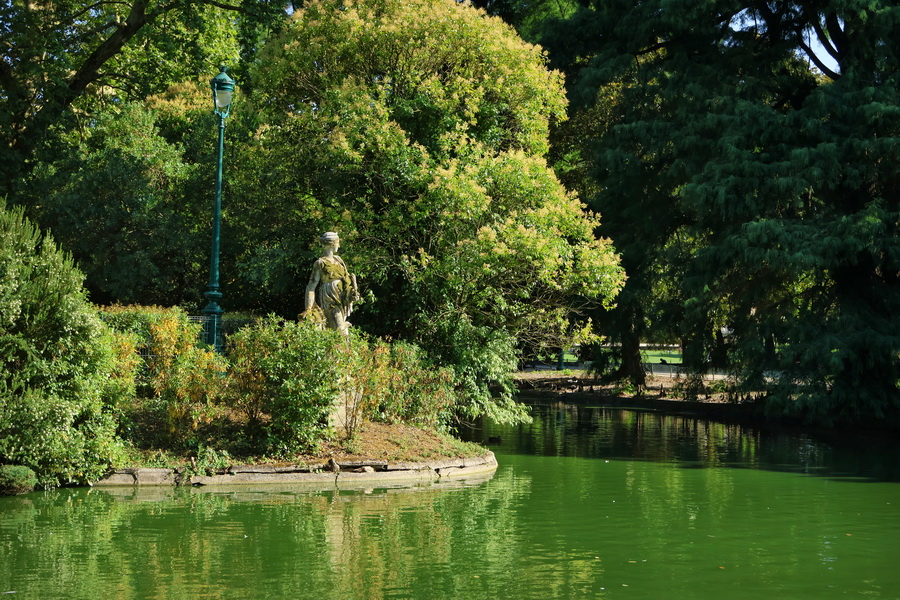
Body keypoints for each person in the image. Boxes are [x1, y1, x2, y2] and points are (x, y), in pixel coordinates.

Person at [304, 232, 359, 333]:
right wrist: (309, 308)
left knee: (337, 330)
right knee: (340, 329)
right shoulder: (320, 263)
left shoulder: (338, 260)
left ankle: (339, 348)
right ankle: (343, 348)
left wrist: (351, 293)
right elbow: (311, 286)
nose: (339, 245)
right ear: (332, 244)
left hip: (341, 297)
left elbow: (346, 279)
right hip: (329, 297)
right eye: (338, 243)